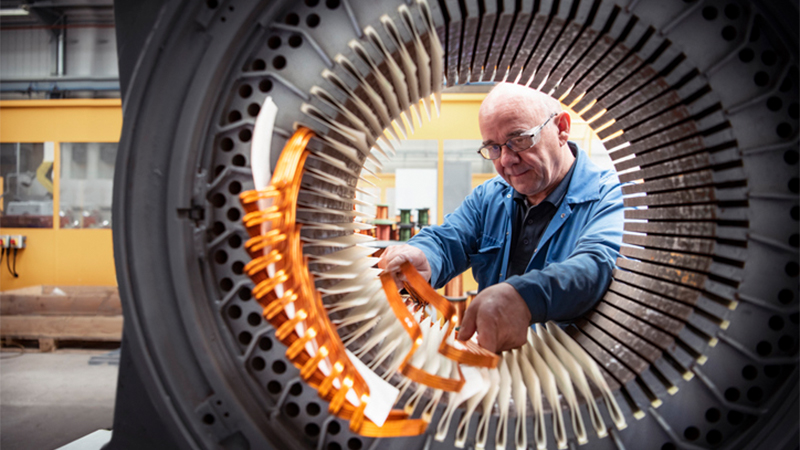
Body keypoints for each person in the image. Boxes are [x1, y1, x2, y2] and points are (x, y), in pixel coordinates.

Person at [378, 83, 624, 353]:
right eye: (493, 148)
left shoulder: (608, 196)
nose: (506, 160)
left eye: (519, 139)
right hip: (493, 367)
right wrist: (424, 256)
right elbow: (450, 238)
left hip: (564, 369)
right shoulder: (490, 197)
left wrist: (525, 298)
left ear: (562, 128)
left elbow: (595, 264)